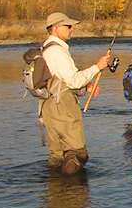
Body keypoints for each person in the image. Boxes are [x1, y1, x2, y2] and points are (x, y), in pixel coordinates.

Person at [40, 12, 111, 174]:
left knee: (57, 156)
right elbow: (73, 81)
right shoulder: (57, 52)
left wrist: (86, 87)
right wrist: (97, 67)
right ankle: (74, 195)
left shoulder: (47, 48)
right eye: (68, 26)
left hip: (49, 106)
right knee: (77, 154)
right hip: (62, 107)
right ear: (56, 28)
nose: (72, 29)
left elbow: (62, 81)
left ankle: (55, 193)